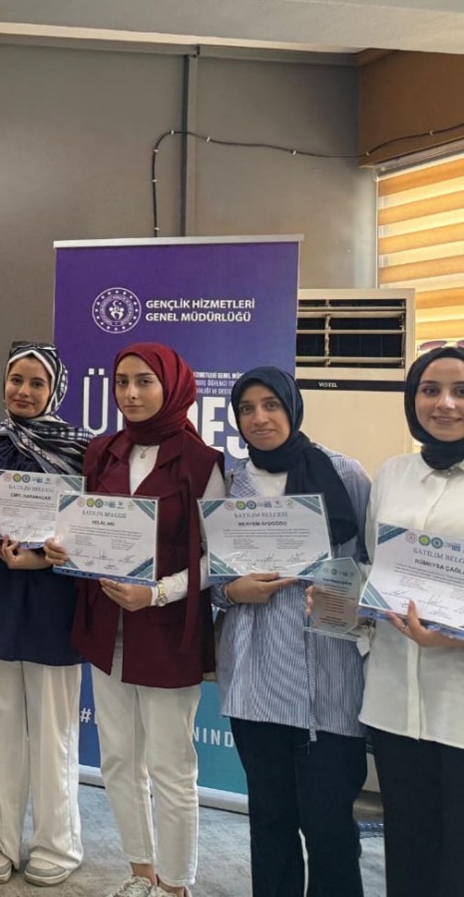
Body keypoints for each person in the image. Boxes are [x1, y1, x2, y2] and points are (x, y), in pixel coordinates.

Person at [46, 342, 223, 897]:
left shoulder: (203, 463)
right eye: (122, 382)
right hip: (107, 627)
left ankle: (176, 885)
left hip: (168, 630)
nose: (130, 393)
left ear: (172, 386)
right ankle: (140, 872)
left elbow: (218, 557)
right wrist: (63, 547)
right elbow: (89, 526)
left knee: (172, 767)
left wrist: (160, 594)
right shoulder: (103, 452)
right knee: (119, 759)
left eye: (145, 381)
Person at [216, 367, 369, 897]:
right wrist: (233, 591)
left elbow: (375, 565)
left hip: (330, 678)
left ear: (293, 407)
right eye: (247, 409)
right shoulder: (230, 483)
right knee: (270, 820)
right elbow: (211, 578)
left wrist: (345, 595)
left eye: (271, 405)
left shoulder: (343, 473)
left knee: (330, 828)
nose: (259, 418)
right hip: (256, 677)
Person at [0, 342, 92, 888]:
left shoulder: (83, 449)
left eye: (36, 382)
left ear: (54, 390)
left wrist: (43, 557)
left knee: (53, 729)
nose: (22, 391)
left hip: (54, 599)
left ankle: (57, 843)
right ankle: (0, 837)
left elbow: (95, 526)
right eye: (15, 379)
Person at [356, 346, 464, 897]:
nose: (444, 404)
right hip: (395, 694)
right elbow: (373, 565)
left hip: (457, 698)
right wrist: (342, 599)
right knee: (408, 843)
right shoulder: (393, 473)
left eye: (461, 391)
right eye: (429, 390)